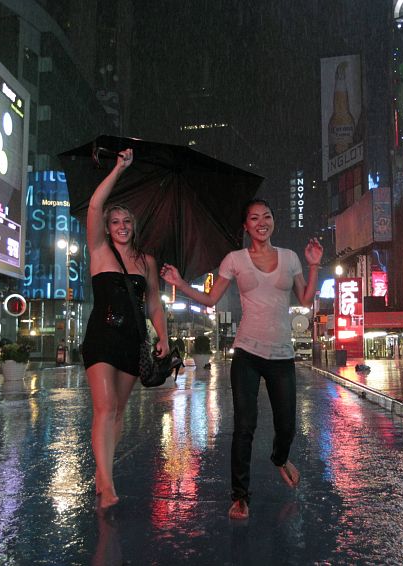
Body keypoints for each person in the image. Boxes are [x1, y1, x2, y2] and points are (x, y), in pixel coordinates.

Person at [160, 199, 323, 521]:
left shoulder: (290, 258)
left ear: (273, 221)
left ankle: (280, 458)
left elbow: (304, 299)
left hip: (282, 355)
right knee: (245, 426)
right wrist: (179, 284)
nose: (261, 222)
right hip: (247, 351)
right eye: (254, 218)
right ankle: (240, 497)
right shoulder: (234, 260)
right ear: (245, 226)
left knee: (287, 425)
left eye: (267, 216)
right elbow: (210, 298)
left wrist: (315, 264)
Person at [82, 148, 169, 510]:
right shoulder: (99, 248)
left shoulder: (146, 261)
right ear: (108, 226)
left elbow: (154, 304)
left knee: (117, 411)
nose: (120, 226)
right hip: (101, 337)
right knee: (103, 408)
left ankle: (104, 471)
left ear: (134, 226)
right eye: (115, 221)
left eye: (126, 222)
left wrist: (161, 335)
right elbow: (93, 207)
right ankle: (106, 481)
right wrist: (119, 168)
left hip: (132, 341)